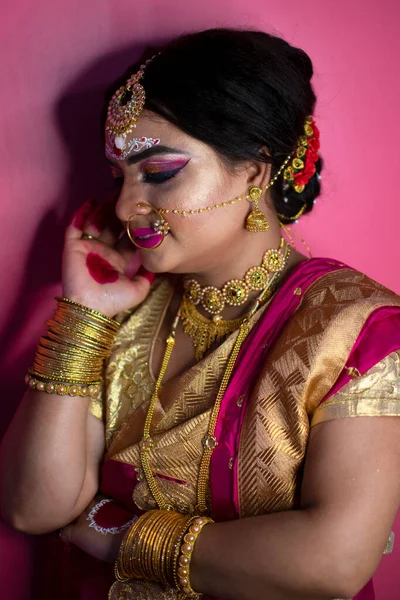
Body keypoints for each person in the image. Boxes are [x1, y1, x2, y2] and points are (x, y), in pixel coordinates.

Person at [1, 27, 399, 600]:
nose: (125, 204)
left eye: (159, 172)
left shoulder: (356, 326)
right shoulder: (126, 314)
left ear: (256, 173)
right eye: (119, 177)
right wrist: (84, 314)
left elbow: (334, 561)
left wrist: (117, 535)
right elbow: (32, 505)